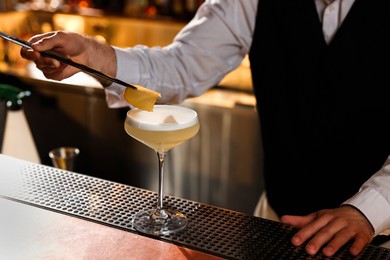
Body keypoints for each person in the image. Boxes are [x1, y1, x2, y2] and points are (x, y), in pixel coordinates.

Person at [20, 0, 390, 257]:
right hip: (279, 220)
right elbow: (182, 66)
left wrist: (369, 210)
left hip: (380, 234)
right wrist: (95, 55)